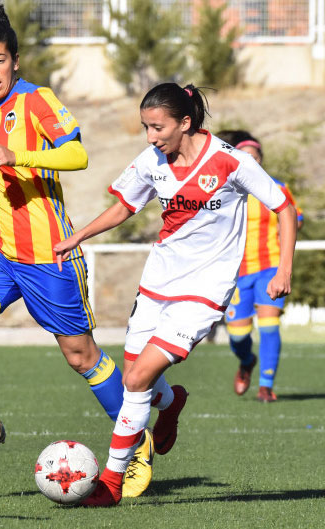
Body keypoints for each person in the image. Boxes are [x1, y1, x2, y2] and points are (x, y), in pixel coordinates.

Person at [0, 4, 155, 498]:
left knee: (82, 358)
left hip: (47, 251)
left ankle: (137, 442)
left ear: (15, 60)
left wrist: (21, 155)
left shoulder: (37, 101)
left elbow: (77, 154)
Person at [53, 83, 298, 506]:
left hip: (204, 291)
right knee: (139, 380)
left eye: (158, 127)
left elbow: (285, 207)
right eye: (146, 127)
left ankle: (111, 483)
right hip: (156, 283)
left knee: (134, 379)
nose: (151, 137)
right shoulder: (152, 161)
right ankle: (173, 401)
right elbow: (123, 207)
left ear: (185, 123)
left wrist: (285, 269)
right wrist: (78, 237)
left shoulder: (229, 161)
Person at [217, 130, 303, 403]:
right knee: (238, 335)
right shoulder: (225, 189)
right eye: (247, 156)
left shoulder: (276, 188)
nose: (251, 160)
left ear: (261, 160)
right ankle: (247, 361)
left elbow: (296, 218)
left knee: (269, 325)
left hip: (269, 268)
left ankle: (266, 385)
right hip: (236, 271)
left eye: (256, 156)